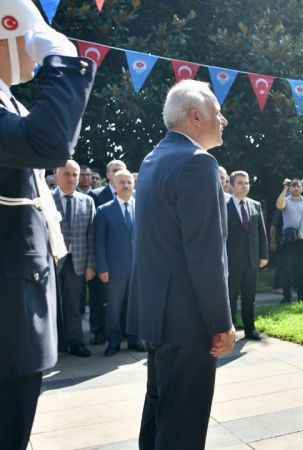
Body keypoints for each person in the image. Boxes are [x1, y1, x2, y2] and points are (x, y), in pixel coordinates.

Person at [0, 3, 94, 447]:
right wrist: (62, 59)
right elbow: (50, 142)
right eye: (29, 38)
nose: (33, 52)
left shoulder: (9, 101)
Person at [128, 80, 235, 450]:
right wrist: (221, 323)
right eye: (217, 112)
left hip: (159, 316)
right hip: (188, 321)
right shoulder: (198, 163)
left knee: (159, 415)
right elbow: (205, 254)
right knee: (183, 428)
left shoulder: (153, 159)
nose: (223, 120)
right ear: (195, 116)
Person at [94, 169, 144, 356]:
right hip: (114, 270)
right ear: (114, 185)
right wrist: (102, 268)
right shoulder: (104, 210)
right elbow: (99, 243)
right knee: (113, 309)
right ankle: (113, 343)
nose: (126, 185)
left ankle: (135, 340)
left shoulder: (141, 208)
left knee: (135, 307)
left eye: (129, 182)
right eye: (121, 182)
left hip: (137, 269)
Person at [53, 160, 96, 357]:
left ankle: (75, 342)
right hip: (52, 261)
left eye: (74, 174)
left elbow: (91, 236)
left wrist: (91, 265)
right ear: (56, 175)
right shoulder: (46, 199)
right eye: (66, 174)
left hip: (77, 261)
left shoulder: (87, 201)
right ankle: (55, 344)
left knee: (73, 304)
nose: (71, 178)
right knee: (51, 302)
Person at [226, 170, 269, 340]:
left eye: (247, 183)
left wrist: (264, 255)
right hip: (231, 261)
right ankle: (230, 331)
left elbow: (261, 233)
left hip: (252, 260)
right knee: (230, 297)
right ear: (231, 185)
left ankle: (250, 329)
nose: (244, 186)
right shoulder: (224, 206)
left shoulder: (255, 205)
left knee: (249, 297)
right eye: (240, 183)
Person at [88, 158, 127, 344]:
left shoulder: (134, 198)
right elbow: (94, 232)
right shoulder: (96, 196)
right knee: (101, 298)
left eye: (121, 169)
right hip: (104, 257)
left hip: (125, 261)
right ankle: (99, 331)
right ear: (108, 175)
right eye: (114, 170)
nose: (117, 173)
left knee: (125, 300)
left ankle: (125, 331)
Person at [276, 178, 303, 303]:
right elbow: (279, 205)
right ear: (290, 188)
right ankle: (287, 297)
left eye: (298, 185)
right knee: (287, 269)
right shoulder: (286, 200)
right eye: (293, 186)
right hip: (289, 240)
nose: (295, 188)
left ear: (302, 188)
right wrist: (285, 188)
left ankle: (302, 296)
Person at [269, 209, 284, 292]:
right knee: (280, 265)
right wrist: (273, 242)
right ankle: (277, 286)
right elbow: (273, 228)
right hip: (280, 241)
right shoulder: (279, 211)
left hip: (287, 241)